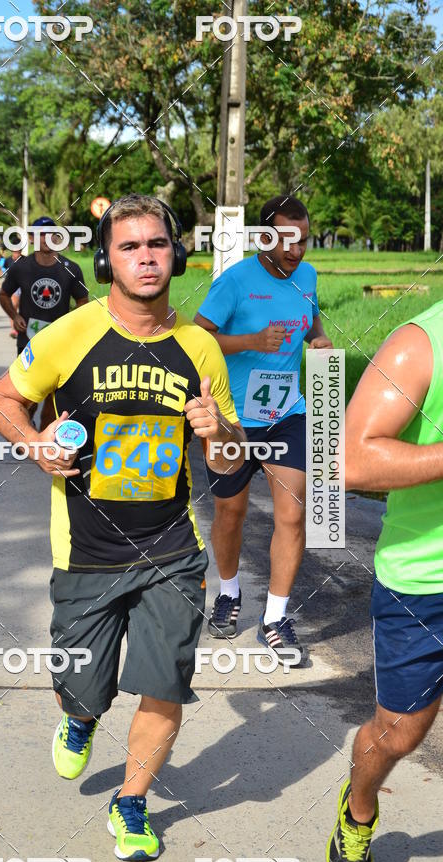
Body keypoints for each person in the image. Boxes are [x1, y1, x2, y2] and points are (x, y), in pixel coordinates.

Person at [0, 194, 246, 862]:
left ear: (177, 252)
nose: (147, 258)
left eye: (157, 244)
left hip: (172, 548)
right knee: (84, 685)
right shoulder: (71, 334)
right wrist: (34, 442)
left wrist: (221, 435)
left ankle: (130, 803)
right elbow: (2, 399)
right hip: (87, 549)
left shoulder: (199, 348)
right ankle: (79, 717)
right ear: (106, 260)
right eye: (129, 247)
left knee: (164, 681)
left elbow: (229, 456)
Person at [326, 298, 443, 862]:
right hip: (427, 582)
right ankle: (360, 809)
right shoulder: (420, 344)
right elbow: (351, 459)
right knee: (400, 733)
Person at [194, 195, 333, 660]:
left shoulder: (308, 277)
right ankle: (229, 593)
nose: (296, 252)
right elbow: (199, 338)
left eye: (304, 241)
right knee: (230, 514)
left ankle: (274, 618)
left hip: (287, 415)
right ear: (264, 237)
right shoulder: (234, 282)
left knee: (292, 515)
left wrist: (317, 336)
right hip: (233, 422)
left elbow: (311, 316)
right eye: (286, 240)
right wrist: (250, 341)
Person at [0, 216, 89, 430]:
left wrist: (69, 324)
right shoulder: (21, 267)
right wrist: (15, 316)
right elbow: (4, 295)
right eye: (40, 234)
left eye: (51, 234)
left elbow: (83, 301)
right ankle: (26, 433)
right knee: (27, 397)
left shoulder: (71, 268)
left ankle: (45, 438)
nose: (46, 239)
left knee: (53, 399)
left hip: (60, 345)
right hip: (28, 342)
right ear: (31, 238)